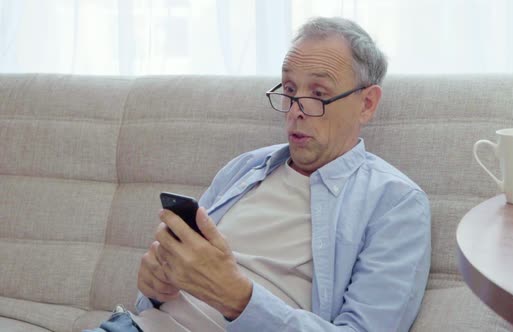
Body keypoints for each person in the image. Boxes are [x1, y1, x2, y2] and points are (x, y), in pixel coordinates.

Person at [86, 16, 431, 332]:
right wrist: (156, 287)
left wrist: (238, 298)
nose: (295, 111)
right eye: (290, 91)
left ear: (367, 104)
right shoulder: (246, 168)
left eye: (318, 94)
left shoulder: (396, 202)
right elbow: (156, 296)